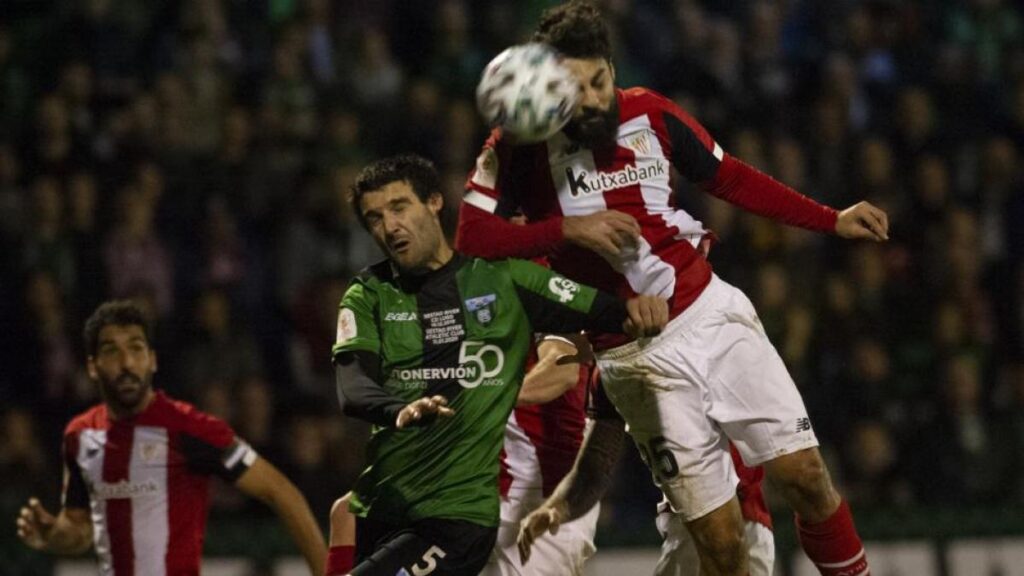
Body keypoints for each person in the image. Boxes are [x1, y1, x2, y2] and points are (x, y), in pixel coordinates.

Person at [458, 2, 885, 574]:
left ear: (612, 69)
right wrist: (570, 228)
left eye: (599, 80)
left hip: (710, 314)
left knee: (805, 476)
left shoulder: (652, 113)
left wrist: (830, 218)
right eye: (573, 87)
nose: (591, 99)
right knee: (720, 543)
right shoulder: (516, 148)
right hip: (634, 359)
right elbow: (471, 234)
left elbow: (729, 175)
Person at [332, 154, 667, 575]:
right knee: (346, 510)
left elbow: (562, 370)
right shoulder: (438, 284)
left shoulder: (534, 279)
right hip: (467, 487)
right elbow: (357, 383)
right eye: (375, 217)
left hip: (538, 492)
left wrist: (479, 396)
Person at [15, 300, 326, 575]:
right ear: (93, 367)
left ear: (152, 359)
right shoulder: (79, 436)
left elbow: (281, 491)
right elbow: (80, 529)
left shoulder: (189, 428)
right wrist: (52, 534)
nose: (126, 363)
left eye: (136, 348)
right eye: (112, 351)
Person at [325, 334, 599, 576]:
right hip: (463, 491)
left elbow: (562, 373)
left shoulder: (543, 282)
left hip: (535, 500)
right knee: (349, 514)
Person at [518, 370, 776, 576]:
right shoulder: (610, 371)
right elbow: (597, 462)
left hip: (734, 518)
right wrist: (557, 508)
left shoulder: (701, 334)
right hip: (682, 528)